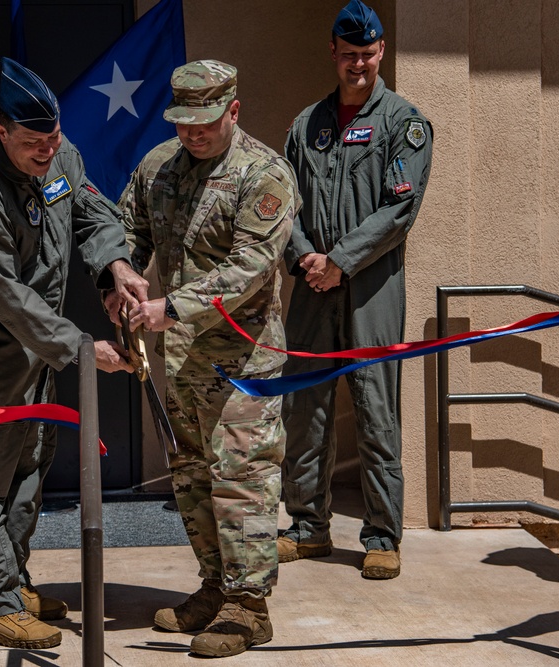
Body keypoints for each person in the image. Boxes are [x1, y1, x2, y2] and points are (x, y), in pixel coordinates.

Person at [0, 57, 147, 649]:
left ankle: (11, 583)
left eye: (53, 138)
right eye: (33, 143)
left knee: (28, 463)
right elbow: (6, 296)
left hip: (41, 346)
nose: (48, 152)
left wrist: (115, 267)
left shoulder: (60, 153)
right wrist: (79, 348)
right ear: (1, 132)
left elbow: (92, 212)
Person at [115, 60, 299, 658]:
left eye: (206, 123)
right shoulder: (156, 168)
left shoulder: (264, 173)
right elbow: (129, 232)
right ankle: (216, 586)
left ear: (234, 110)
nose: (194, 134)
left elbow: (250, 266)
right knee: (192, 475)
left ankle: (249, 608)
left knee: (242, 480)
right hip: (179, 361)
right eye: (184, 123)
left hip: (244, 362)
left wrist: (174, 307)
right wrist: (118, 277)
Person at [278, 0, 433, 580]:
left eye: (367, 54)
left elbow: (401, 207)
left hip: (371, 287)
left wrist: (341, 261)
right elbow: (284, 204)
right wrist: (306, 260)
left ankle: (382, 535)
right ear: (333, 54)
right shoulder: (306, 125)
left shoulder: (403, 122)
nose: (358, 65)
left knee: (375, 407)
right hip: (313, 285)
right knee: (305, 405)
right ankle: (307, 527)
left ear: (382, 51)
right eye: (349, 55)